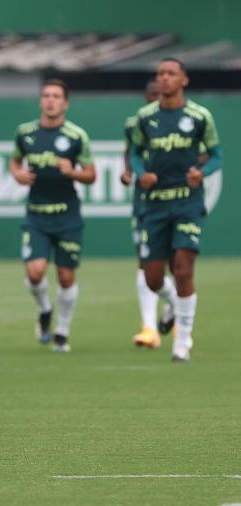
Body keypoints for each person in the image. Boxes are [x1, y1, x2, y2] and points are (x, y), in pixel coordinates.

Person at [130, 57, 222, 362]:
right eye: (160, 74)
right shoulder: (144, 117)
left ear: (184, 79)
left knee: (183, 268)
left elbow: (217, 155)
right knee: (153, 278)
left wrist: (202, 172)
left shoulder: (199, 116)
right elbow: (135, 153)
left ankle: (182, 340)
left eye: (170, 73)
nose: (164, 78)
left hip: (187, 203)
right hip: (155, 205)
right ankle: (171, 302)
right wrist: (142, 172)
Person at [10, 79, 96, 353]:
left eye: (56, 96)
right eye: (46, 95)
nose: (50, 100)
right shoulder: (25, 133)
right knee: (34, 273)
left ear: (65, 103)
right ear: (41, 101)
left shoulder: (76, 136)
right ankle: (45, 308)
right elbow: (14, 160)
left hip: (67, 216)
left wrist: (73, 172)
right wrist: (17, 174)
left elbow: (91, 174)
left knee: (66, 277)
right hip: (36, 215)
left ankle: (62, 331)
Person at [121, 80, 177, 349]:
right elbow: (129, 152)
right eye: (152, 95)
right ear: (146, 98)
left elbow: (203, 154)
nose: (157, 99)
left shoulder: (183, 120)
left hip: (178, 201)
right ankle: (149, 328)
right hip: (145, 203)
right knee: (147, 264)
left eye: (160, 94)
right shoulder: (136, 125)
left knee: (177, 263)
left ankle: (177, 305)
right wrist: (129, 173)